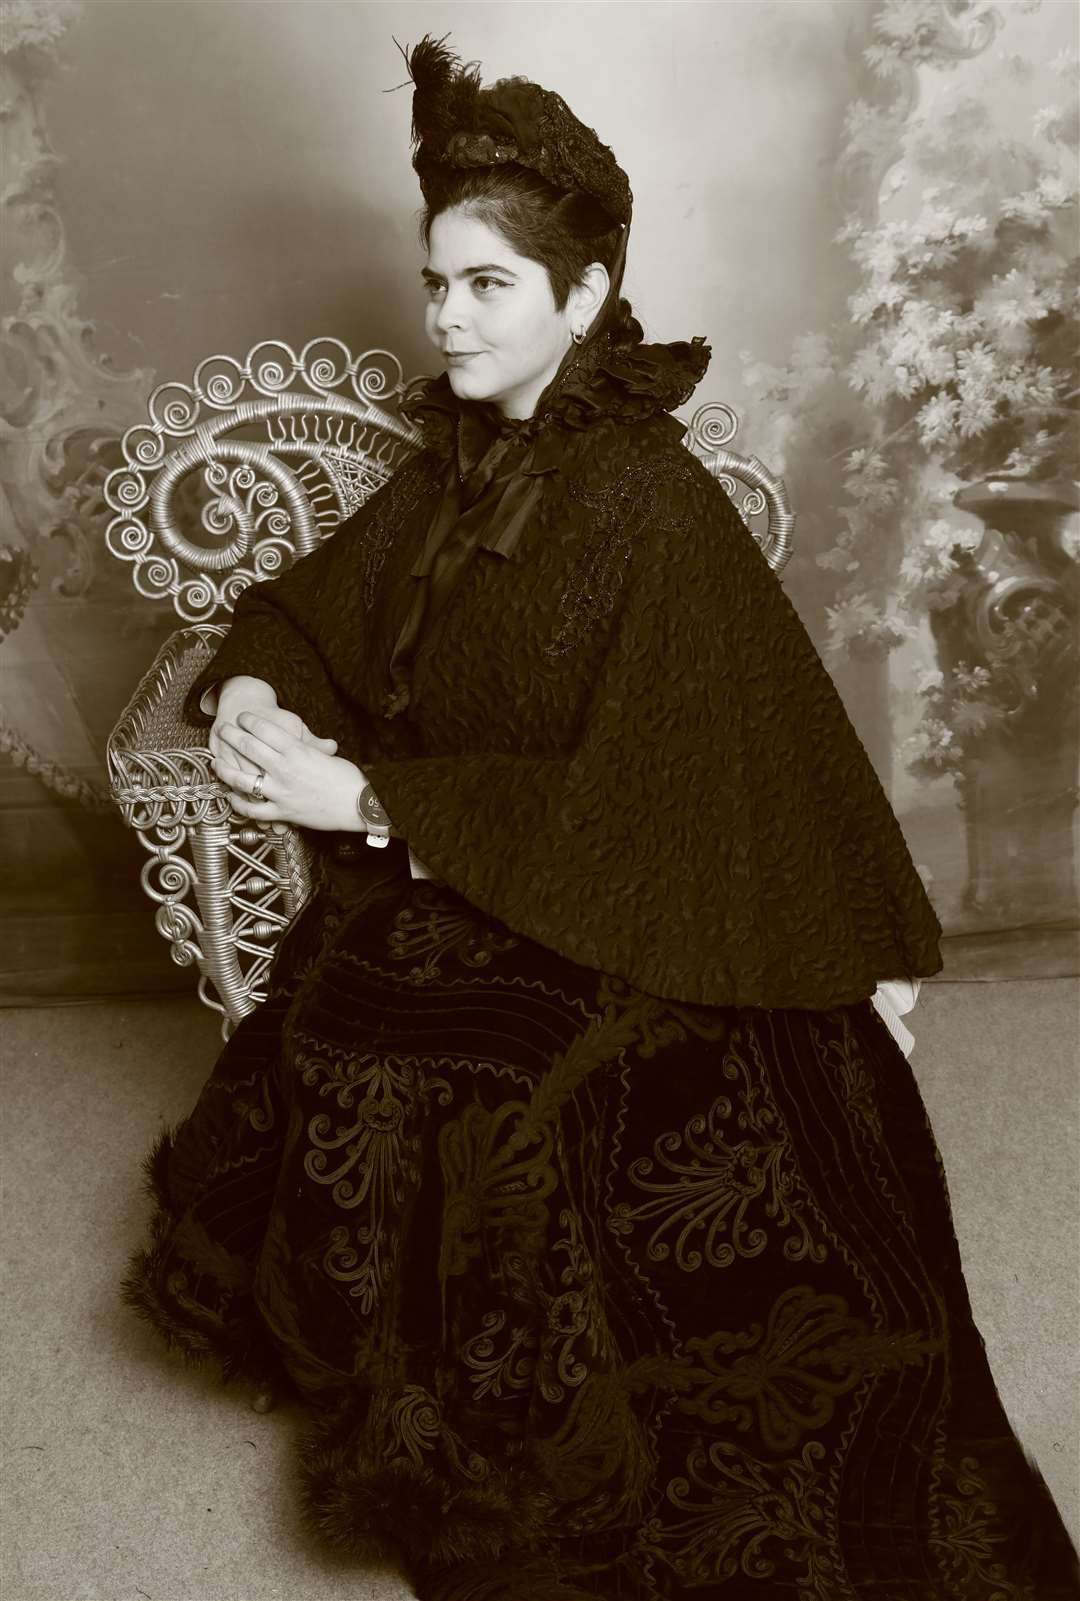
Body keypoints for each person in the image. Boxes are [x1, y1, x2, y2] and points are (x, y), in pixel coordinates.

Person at [122, 36, 1079, 1601]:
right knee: (358, 1003)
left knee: (490, 1075)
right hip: (502, 860)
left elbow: (652, 801)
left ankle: (508, 1431)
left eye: (491, 286)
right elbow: (313, 607)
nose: (448, 316)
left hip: (671, 914)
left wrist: (365, 794)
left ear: (584, 295)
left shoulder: (645, 498)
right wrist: (248, 689)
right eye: (438, 282)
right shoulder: (459, 454)